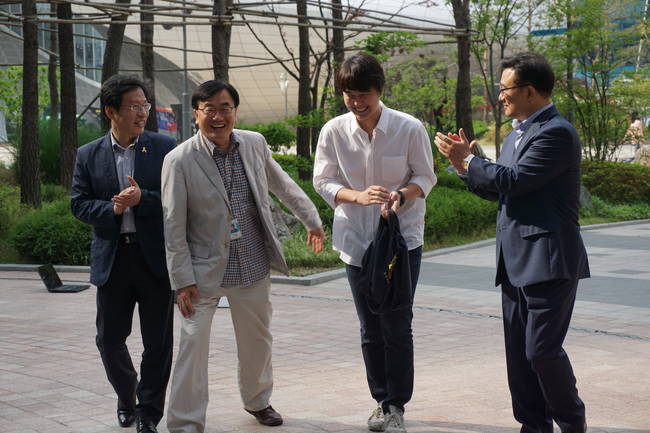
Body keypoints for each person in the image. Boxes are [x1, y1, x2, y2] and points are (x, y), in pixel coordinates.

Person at [435, 52, 589, 433]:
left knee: (541, 351)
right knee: (520, 357)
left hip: (548, 261)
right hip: (514, 261)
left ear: (530, 91)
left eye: (505, 89)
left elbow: (516, 180)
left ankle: (572, 422)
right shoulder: (516, 134)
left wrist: (470, 162)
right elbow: (502, 190)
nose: (499, 96)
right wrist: (465, 167)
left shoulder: (556, 132)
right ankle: (533, 426)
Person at [162, 80, 326, 433]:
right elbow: (173, 225)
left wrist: (311, 219)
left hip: (251, 261)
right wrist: (182, 280)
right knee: (192, 344)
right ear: (196, 114)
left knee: (257, 340)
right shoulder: (179, 160)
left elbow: (282, 185)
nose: (218, 116)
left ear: (235, 111)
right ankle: (185, 422)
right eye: (209, 109)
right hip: (203, 272)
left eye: (225, 108)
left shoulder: (253, 143)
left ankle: (258, 401)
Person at [313, 52, 436, 433]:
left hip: (401, 242)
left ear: (379, 89)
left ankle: (397, 404)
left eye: (363, 94)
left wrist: (401, 195)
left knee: (397, 323)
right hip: (356, 242)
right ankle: (381, 401)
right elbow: (323, 180)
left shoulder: (408, 128)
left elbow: (426, 177)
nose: (356, 103)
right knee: (370, 327)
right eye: (349, 95)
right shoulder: (333, 131)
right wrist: (357, 196)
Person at [71, 75, 176, 433]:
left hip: (154, 259)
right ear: (111, 111)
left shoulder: (163, 148)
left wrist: (142, 199)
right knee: (109, 340)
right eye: (134, 106)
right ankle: (127, 393)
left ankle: (148, 413)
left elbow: (178, 199)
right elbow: (79, 204)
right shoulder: (88, 154)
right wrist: (113, 209)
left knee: (158, 343)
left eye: (145, 105)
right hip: (113, 260)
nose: (142, 112)